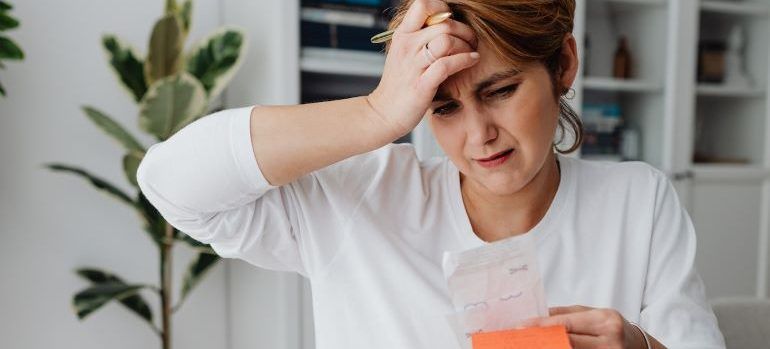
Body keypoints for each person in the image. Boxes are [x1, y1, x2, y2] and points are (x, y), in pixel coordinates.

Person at [136, 0, 726, 348]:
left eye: (501, 91)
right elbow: (170, 182)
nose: (477, 135)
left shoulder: (638, 201)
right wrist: (375, 113)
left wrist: (644, 348)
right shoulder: (360, 197)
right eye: (442, 107)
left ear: (564, 64)